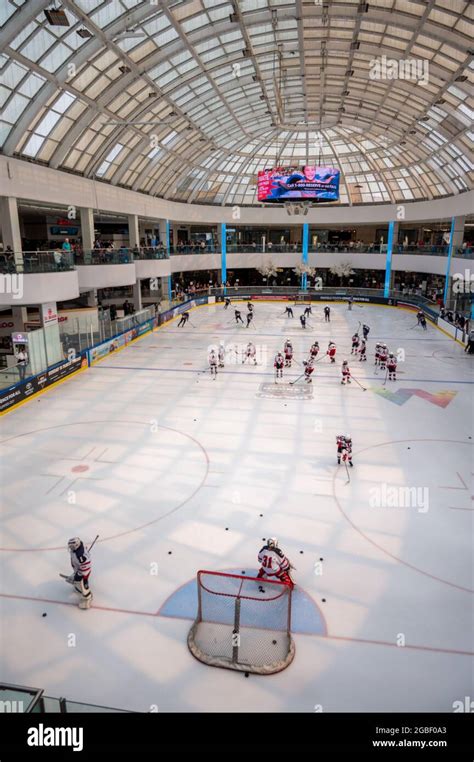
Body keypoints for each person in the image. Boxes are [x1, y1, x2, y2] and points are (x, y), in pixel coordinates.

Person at [65, 537, 93, 609]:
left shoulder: (80, 555)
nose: (71, 548)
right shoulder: (77, 550)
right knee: (80, 583)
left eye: (72, 546)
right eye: (70, 546)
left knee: (82, 585)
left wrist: (78, 575)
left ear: (76, 545)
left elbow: (86, 566)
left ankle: (87, 598)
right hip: (79, 570)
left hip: (83, 572)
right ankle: (80, 587)